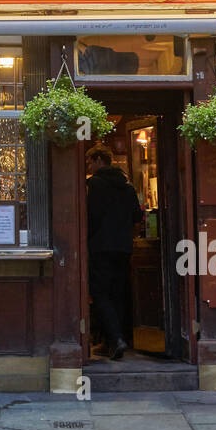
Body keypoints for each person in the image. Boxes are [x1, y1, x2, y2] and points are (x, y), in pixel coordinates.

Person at [85, 147, 143, 360]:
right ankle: (112, 342)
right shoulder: (128, 187)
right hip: (123, 248)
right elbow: (138, 216)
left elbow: (89, 217)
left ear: (99, 160)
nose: (88, 167)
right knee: (117, 294)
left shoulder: (94, 185)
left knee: (100, 293)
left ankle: (116, 338)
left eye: (90, 162)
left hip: (100, 247)